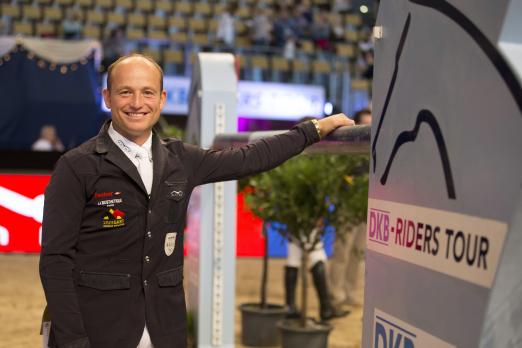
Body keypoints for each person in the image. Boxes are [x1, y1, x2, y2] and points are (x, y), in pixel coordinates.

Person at [39, 53, 354, 348]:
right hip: (98, 333)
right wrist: (73, 342)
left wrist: (311, 131)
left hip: (166, 329)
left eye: (148, 93)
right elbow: (55, 262)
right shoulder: (76, 166)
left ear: (162, 100)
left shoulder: (181, 159)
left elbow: (250, 158)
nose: (137, 103)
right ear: (107, 97)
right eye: (125, 92)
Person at [328, 108, 371, 309]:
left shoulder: (374, 153)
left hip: (365, 208)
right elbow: (337, 178)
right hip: (347, 207)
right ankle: (335, 295)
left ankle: (351, 293)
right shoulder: (346, 153)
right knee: (342, 253)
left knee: (359, 254)